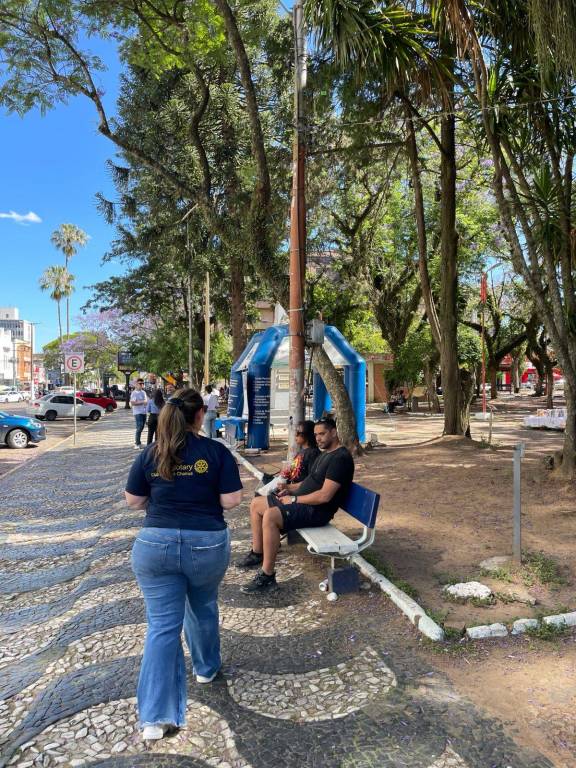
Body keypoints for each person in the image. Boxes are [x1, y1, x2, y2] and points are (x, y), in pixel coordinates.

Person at [125, 388, 243, 741]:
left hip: (154, 546)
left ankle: (154, 719)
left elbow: (133, 501)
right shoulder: (216, 452)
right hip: (206, 544)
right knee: (203, 605)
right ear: (200, 415)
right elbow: (231, 500)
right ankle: (205, 669)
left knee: (162, 626)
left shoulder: (152, 453)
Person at [238, 417, 354, 594]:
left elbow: (324, 496)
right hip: (304, 502)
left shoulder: (340, 459)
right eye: (316, 434)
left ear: (334, 432)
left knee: (271, 516)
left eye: (322, 434)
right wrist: (289, 489)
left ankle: (267, 575)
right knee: (256, 504)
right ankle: (258, 552)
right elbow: (309, 482)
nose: (318, 438)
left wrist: (294, 500)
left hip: (317, 511)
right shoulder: (325, 454)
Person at [130, 378, 148, 449]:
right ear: (136, 384)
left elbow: (146, 401)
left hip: (144, 412)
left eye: (143, 383)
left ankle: (139, 443)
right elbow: (133, 403)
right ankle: (137, 443)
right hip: (137, 412)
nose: (142, 385)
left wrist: (145, 402)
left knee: (142, 427)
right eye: (140, 383)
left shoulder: (143, 392)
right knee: (139, 427)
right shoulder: (134, 393)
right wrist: (142, 402)